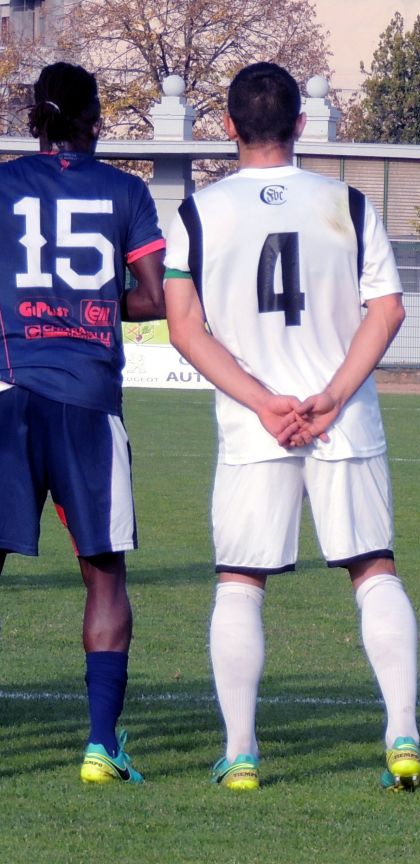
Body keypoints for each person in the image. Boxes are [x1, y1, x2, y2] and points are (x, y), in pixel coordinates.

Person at [164, 62, 420, 792]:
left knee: (240, 583)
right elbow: (389, 309)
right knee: (373, 569)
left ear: (227, 126)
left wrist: (263, 402)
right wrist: (333, 396)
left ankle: (242, 752)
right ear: (301, 125)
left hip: (256, 429)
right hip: (342, 421)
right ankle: (402, 733)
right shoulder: (348, 202)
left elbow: (185, 329)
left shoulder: (196, 212)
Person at [0, 63, 165, 782]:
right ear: (95, 121)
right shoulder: (126, 190)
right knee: (103, 575)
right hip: (89, 400)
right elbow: (153, 297)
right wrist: (93, 304)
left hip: (6, 393)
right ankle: (101, 746)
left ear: (35, 119)